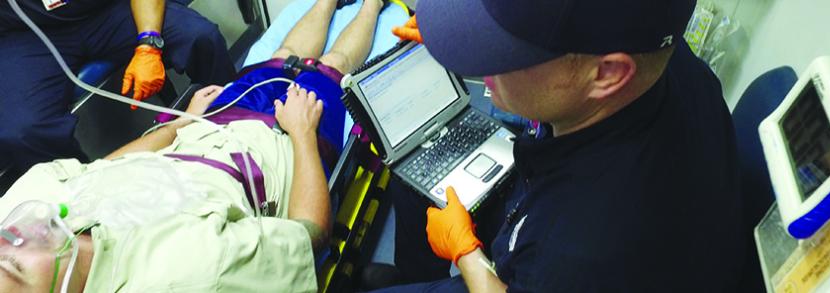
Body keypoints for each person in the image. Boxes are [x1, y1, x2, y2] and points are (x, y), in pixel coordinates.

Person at [0, 0, 388, 291]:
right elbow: (308, 236)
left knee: (281, 58)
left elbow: (97, 171)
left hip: (199, 132)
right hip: (272, 149)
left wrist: (180, 123)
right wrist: (303, 135)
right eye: (13, 266)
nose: (12, 242)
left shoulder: (27, 208)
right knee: (329, 66)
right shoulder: (195, 269)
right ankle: (373, 4)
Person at [377, 0, 749, 292]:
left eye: (506, 50)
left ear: (607, 73)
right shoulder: (656, 48)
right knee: (413, 183)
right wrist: (465, 37)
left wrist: (467, 255)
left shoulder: (577, 253)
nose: (480, 59)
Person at [0, 0, 236, 184]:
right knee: (23, 132)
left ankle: (239, 126)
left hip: (105, 10)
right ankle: (86, 205)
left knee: (199, 37)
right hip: (25, 34)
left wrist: (149, 46)